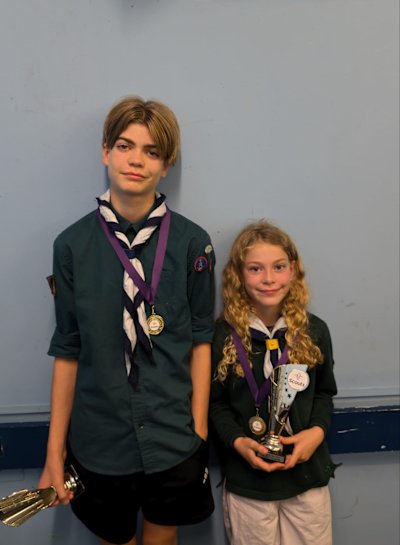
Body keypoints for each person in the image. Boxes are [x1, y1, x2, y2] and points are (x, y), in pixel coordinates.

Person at [39, 96, 215, 545]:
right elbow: (68, 348)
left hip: (173, 436)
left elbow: (200, 339)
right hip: (100, 440)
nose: (136, 159)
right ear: (105, 152)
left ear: (166, 163)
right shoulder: (71, 246)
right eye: (124, 145)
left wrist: (196, 428)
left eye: (152, 151)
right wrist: (53, 454)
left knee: (161, 539)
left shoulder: (193, 243)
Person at [209, 220, 337, 545]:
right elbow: (216, 404)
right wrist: (238, 441)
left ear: (293, 270)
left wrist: (317, 433)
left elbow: (324, 392)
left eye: (278, 267)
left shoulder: (313, 331)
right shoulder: (222, 335)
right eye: (255, 269)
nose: (268, 279)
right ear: (238, 275)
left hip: (307, 478)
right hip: (247, 481)